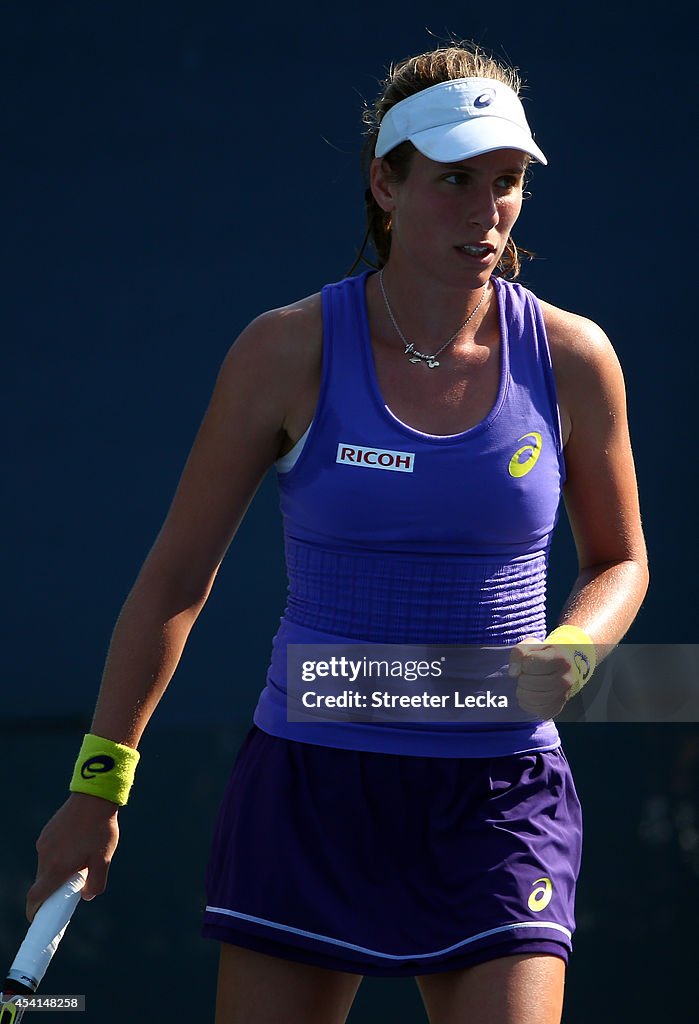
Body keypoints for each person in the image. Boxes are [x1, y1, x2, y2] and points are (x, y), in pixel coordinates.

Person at [26, 41, 649, 1024]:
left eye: (507, 181)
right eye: (454, 181)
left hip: (500, 795)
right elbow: (173, 582)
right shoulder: (284, 352)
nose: (487, 210)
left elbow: (619, 560)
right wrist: (97, 788)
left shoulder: (574, 357)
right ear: (384, 183)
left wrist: (567, 656)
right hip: (312, 792)